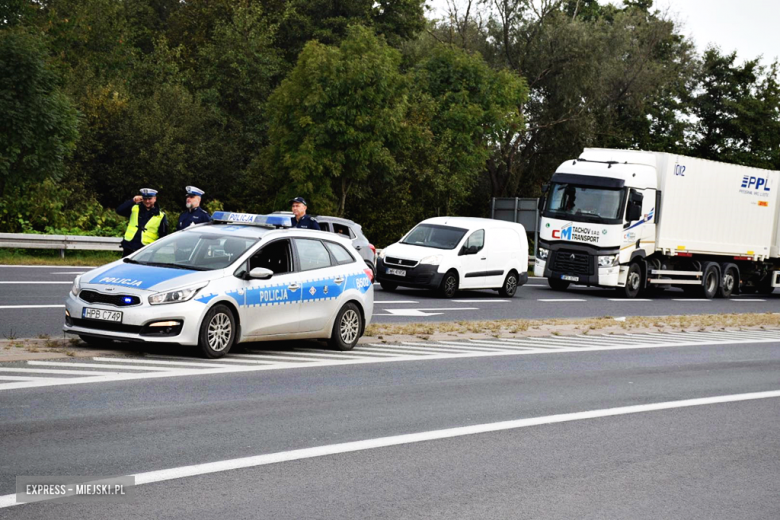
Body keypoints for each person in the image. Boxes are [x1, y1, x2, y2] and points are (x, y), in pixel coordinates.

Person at [116, 188, 169, 257]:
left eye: (149, 199)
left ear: (155, 199)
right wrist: (133, 200)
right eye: (145, 199)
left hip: (147, 250)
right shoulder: (135, 208)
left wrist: (155, 250)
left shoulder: (161, 216)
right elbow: (119, 210)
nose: (147, 201)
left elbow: (163, 235)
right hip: (129, 246)